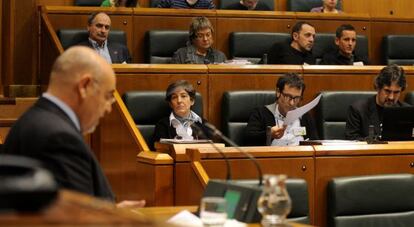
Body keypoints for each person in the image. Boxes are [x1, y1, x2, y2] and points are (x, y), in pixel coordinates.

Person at [1, 46, 144, 208]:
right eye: (108, 96)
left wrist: (112, 212)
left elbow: (50, 212)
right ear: (84, 87)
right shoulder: (59, 138)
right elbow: (76, 221)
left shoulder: (32, 119)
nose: (108, 108)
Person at [245, 73, 319, 146]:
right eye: (288, 96)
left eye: (296, 98)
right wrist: (269, 134)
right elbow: (248, 139)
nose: (292, 103)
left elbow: (315, 143)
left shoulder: (305, 116)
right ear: (278, 92)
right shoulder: (261, 113)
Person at [345, 64, 409, 140]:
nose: (391, 97)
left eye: (396, 92)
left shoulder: (406, 111)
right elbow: (351, 140)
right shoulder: (357, 110)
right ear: (378, 87)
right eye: (387, 91)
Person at [153, 80, 213, 145]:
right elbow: (159, 151)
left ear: (192, 101)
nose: (179, 101)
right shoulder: (162, 126)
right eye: (174, 97)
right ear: (170, 104)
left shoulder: (204, 125)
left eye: (183, 96)